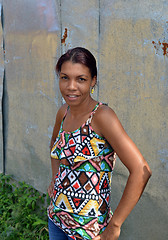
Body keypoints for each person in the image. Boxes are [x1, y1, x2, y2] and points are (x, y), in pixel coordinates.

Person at [47, 47, 152, 240]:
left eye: (81, 79)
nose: (71, 86)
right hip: (57, 220)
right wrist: (55, 178)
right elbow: (55, 143)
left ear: (93, 81)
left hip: (88, 231)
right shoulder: (64, 112)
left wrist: (115, 226)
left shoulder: (101, 117)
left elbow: (141, 169)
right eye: (64, 77)